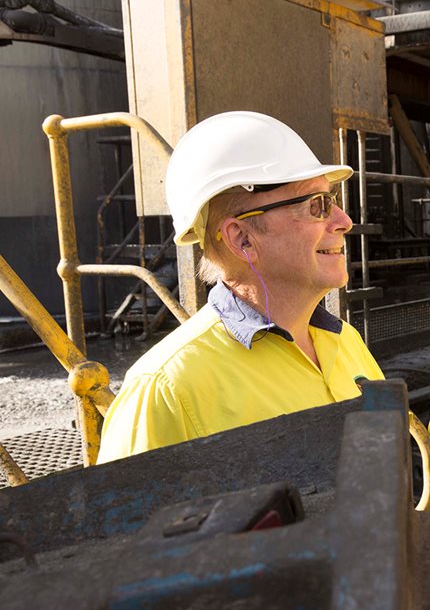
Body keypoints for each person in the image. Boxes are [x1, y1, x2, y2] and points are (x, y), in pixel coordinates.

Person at [98, 111, 383, 463]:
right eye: (317, 205)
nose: (344, 221)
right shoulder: (165, 390)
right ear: (242, 238)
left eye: (332, 200)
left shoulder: (345, 342)